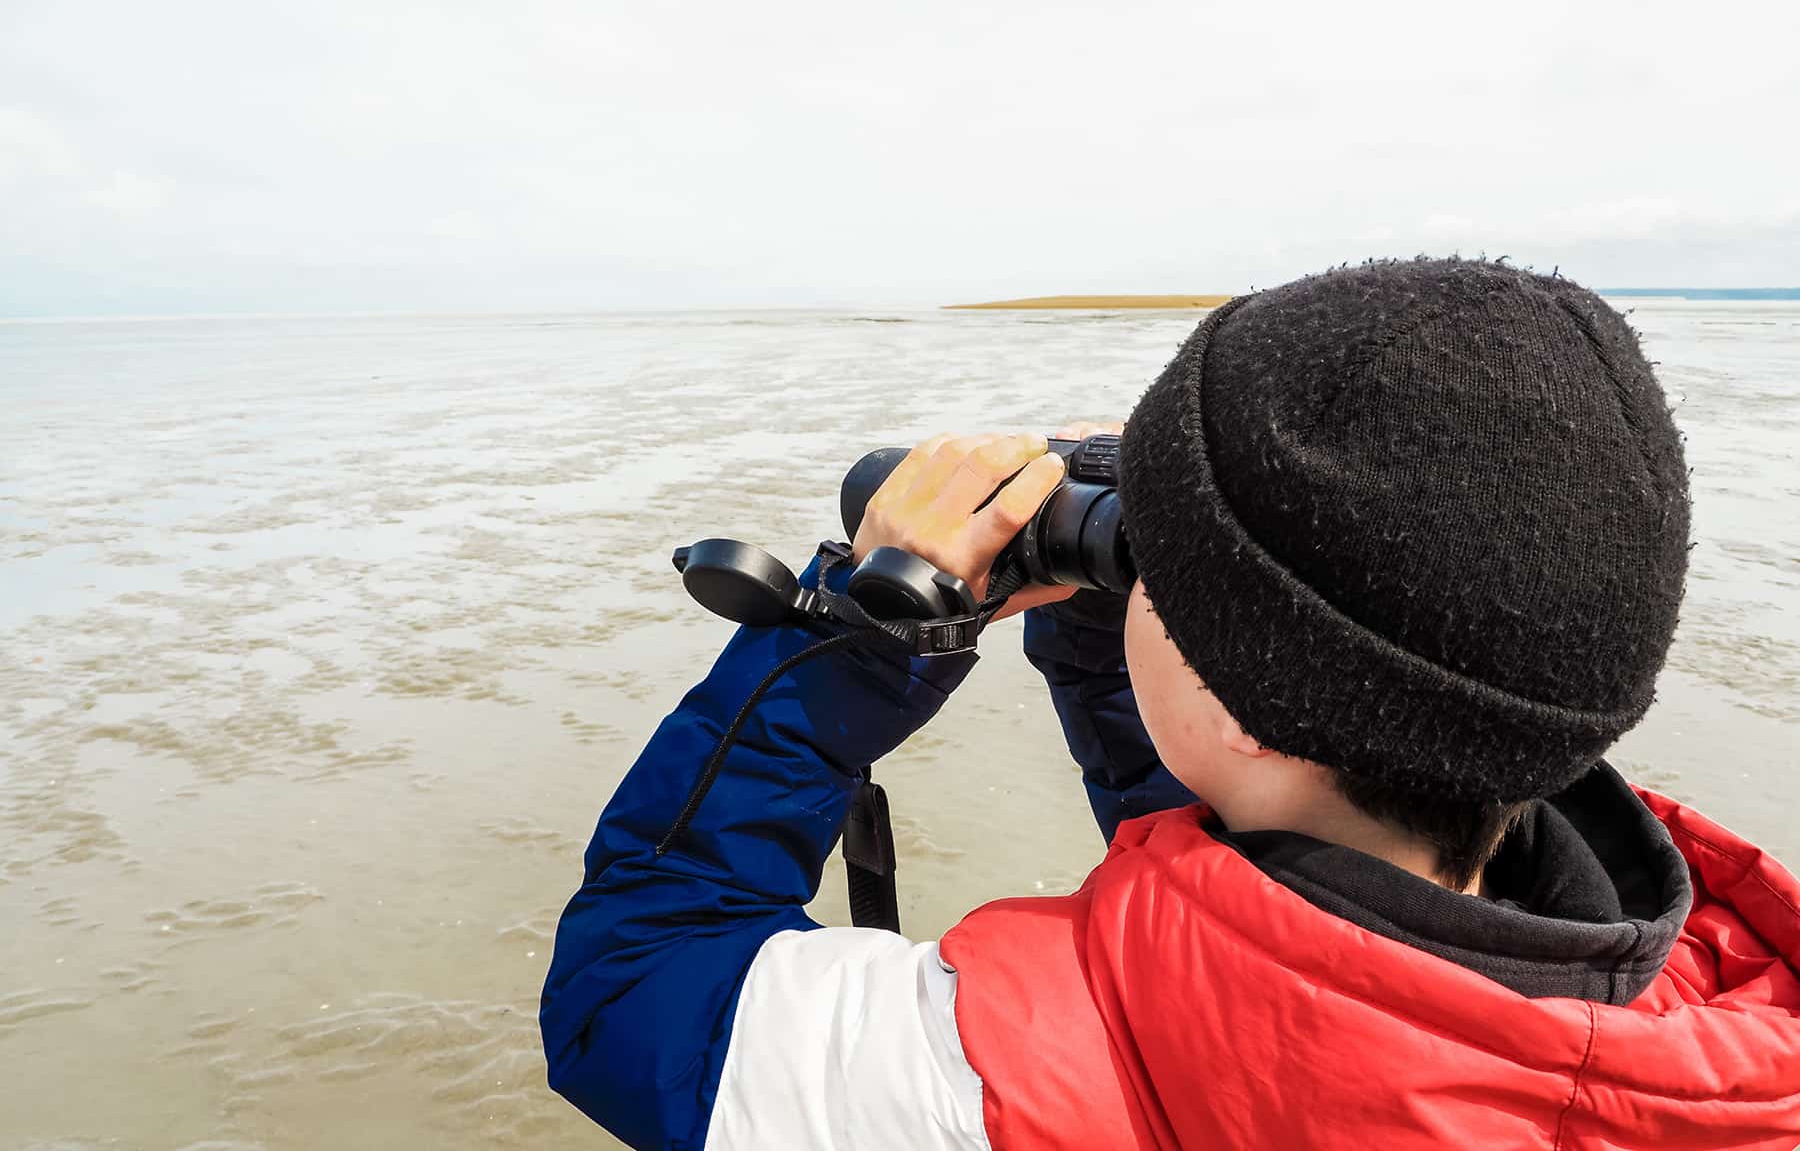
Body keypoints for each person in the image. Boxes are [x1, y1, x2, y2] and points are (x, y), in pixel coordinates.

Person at [539, 259, 1800, 1150]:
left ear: (1238, 700)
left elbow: (628, 985)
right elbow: (1278, 910)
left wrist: (864, 636)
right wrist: (1121, 636)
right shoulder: (1727, 1007)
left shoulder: (973, 1082)